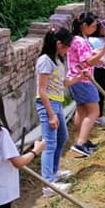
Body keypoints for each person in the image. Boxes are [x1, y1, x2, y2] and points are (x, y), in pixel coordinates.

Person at [34, 28, 74, 197]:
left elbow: (62, 83)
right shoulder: (45, 61)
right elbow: (42, 90)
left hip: (57, 103)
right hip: (47, 105)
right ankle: (48, 184)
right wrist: (51, 115)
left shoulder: (57, 59)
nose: (68, 50)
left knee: (62, 137)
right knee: (49, 143)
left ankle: (54, 172)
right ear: (58, 44)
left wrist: (80, 77)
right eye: (67, 46)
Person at [67, 12, 105, 157]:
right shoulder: (80, 41)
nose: (95, 29)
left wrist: (101, 59)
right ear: (84, 25)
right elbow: (89, 62)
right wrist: (104, 51)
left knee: (81, 110)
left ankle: (83, 140)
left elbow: (88, 55)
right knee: (94, 112)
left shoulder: (78, 39)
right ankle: (80, 143)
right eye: (93, 26)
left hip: (76, 78)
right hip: (83, 79)